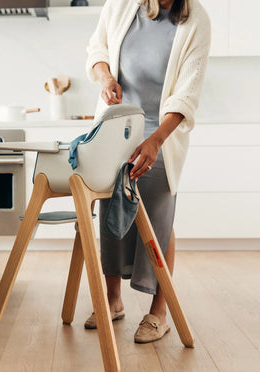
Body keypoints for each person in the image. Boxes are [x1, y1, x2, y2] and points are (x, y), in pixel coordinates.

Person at [84, 0, 211, 343]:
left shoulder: (195, 19)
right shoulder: (121, 5)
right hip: (116, 127)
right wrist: (106, 76)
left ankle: (159, 312)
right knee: (111, 210)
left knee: (158, 219)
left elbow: (187, 93)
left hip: (161, 134)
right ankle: (112, 301)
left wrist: (155, 141)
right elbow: (98, 48)